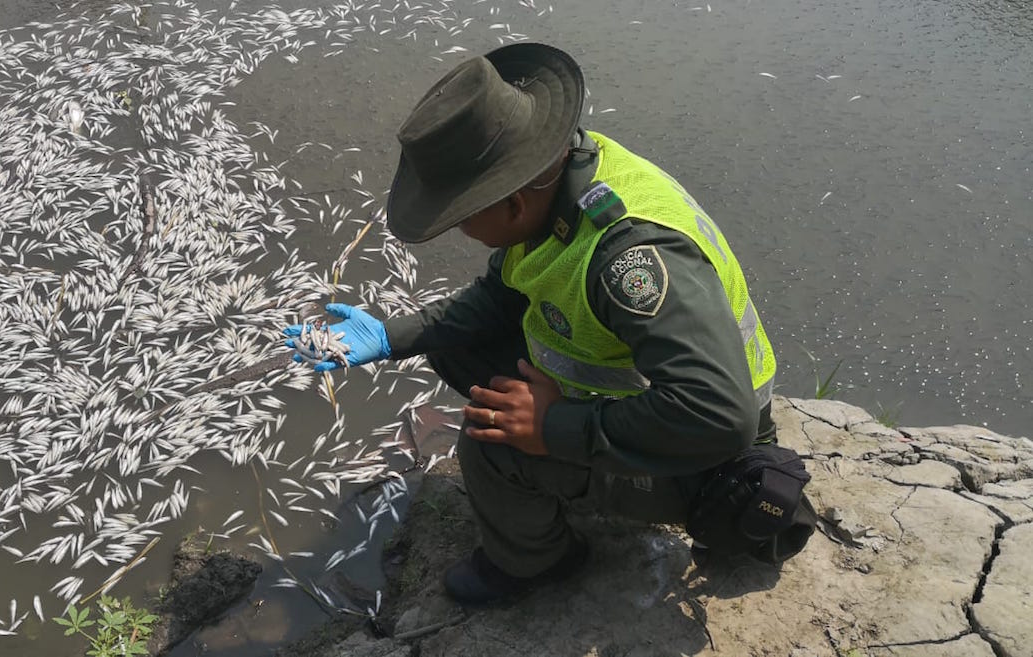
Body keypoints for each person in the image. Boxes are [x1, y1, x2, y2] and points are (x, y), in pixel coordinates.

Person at [285, 42, 812, 606]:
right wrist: (394, 336)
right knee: (457, 346)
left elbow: (718, 417)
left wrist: (556, 427)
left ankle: (537, 561)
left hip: (707, 454)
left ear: (511, 203)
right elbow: (500, 294)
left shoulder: (628, 258)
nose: (459, 231)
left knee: (489, 440)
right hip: (646, 395)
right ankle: (566, 478)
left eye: (462, 218)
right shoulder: (564, 179)